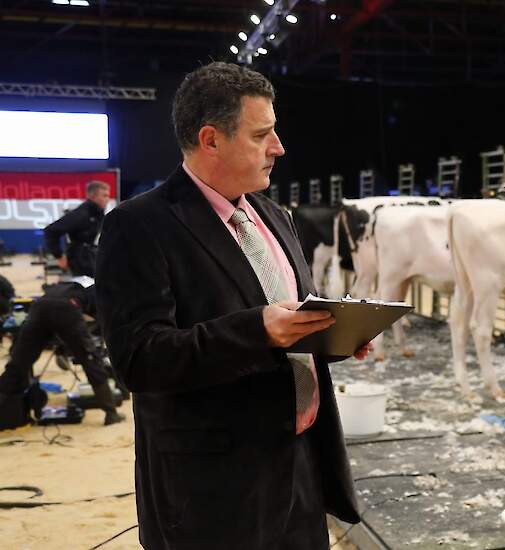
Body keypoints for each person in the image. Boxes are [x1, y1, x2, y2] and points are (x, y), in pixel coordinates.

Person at [96, 62, 368, 549]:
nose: (279, 147)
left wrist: (339, 334)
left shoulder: (272, 214)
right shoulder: (139, 226)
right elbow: (140, 359)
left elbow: (289, 328)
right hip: (213, 488)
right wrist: (257, 331)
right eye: (261, 134)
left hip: (301, 465)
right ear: (211, 139)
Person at [0, 278, 125, 425]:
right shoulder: (101, 292)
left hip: (39, 306)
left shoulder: (73, 283)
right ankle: (111, 413)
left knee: (19, 361)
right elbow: (100, 324)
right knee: (91, 361)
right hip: (67, 309)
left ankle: (3, 405)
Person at [43, 180, 111, 277]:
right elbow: (50, 231)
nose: (107, 199)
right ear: (93, 196)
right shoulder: (81, 214)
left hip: (92, 257)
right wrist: (59, 256)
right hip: (79, 261)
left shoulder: (98, 214)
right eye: (104, 196)